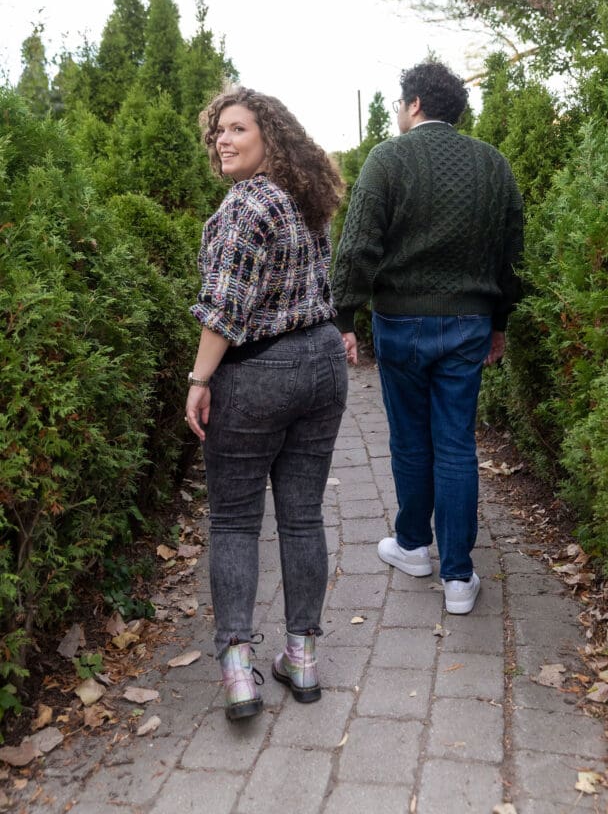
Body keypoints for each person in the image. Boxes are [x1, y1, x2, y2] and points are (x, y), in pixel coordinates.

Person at [332, 61, 523, 615]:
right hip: (469, 323)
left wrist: (344, 318)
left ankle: (413, 546)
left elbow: (357, 245)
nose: (398, 111)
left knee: (411, 440)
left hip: (400, 324)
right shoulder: (493, 164)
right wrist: (500, 321)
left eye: (400, 102)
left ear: (414, 104)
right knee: (457, 444)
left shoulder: (388, 159)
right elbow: (511, 251)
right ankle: (458, 578)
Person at [185, 87, 347, 721]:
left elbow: (223, 311)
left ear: (269, 137)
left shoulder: (246, 206)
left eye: (237, 129)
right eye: (218, 131)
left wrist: (199, 380)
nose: (223, 141)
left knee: (233, 521)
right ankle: (301, 658)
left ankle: (237, 674)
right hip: (323, 363)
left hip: (258, 372)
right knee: (302, 517)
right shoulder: (305, 199)